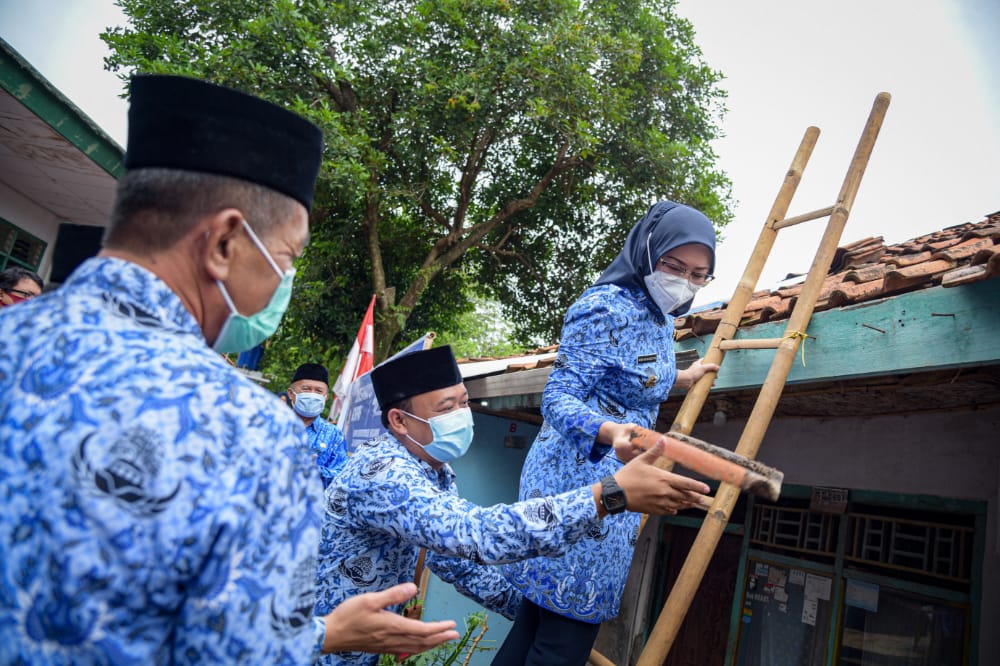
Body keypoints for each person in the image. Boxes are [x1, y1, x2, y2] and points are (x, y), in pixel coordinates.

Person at [0, 74, 457, 664]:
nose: (282, 282)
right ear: (223, 243)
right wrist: (317, 636)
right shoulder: (250, 435)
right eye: (287, 257)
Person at [313, 344, 710, 666]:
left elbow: (453, 560)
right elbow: (478, 535)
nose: (461, 416)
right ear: (399, 421)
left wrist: (537, 610)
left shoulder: (431, 469)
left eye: (464, 402)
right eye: (445, 408)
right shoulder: (383, 475)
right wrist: (606, 495)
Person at [495, 201, 721, 665]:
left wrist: (685, 376)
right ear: (646, 251)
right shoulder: (603, 307)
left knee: (537, 627)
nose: (685, 281)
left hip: (620, 479)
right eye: (674, 266)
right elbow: (556, 398)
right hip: (576, 477)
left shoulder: (663, 317)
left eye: (699, 274)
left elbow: (634, 375)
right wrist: (611, 431)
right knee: (565, 637)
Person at [288, 362, 350, 484]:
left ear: (326, 396)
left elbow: (342, 476)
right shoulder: (274, 424)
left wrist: (315, 470)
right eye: (306, 389)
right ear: (291, 393)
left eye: (318, 391)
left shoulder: (334, 435)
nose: (312, 394)